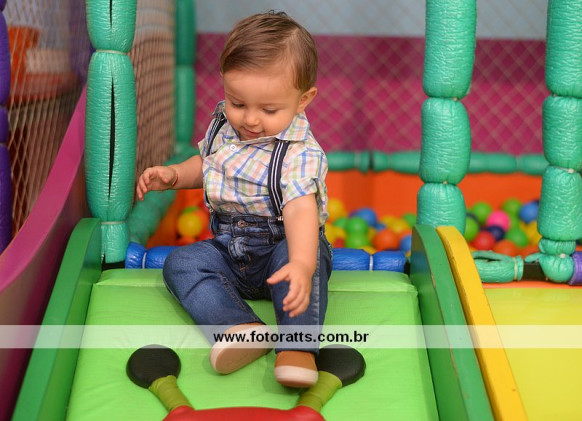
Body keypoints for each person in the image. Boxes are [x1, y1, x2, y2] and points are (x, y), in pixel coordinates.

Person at [136, 11, 332, 388]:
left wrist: (302, 264)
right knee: (181, 263)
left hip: (282, 249)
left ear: (303, 99)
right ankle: (240, 328)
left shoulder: (299, 153)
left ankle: (297, 347)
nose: (250, 120)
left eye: (269, 110)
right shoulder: (226, 128)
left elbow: (300, 210)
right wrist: (175, 175)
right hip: (232, 251)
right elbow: (208, 165)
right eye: (237, 102)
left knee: (304, 262)